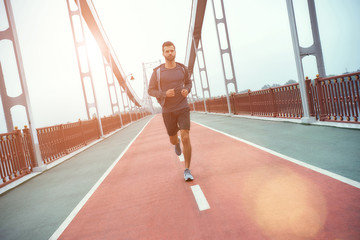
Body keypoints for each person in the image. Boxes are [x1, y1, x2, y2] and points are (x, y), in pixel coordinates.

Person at [148, 41, 194, 181]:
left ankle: (187, 170)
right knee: (173, 138)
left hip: (183, 107)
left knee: (186, 136)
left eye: (172, 51)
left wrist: (187, 89)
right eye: (167, 51)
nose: (170, 53)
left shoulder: (182, 69)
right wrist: (163, 94)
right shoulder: (157, 72)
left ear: (175, 51)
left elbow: (188, 82)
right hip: (168, 110)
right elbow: (151, 90)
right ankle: (176, 143)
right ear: (163, 53)